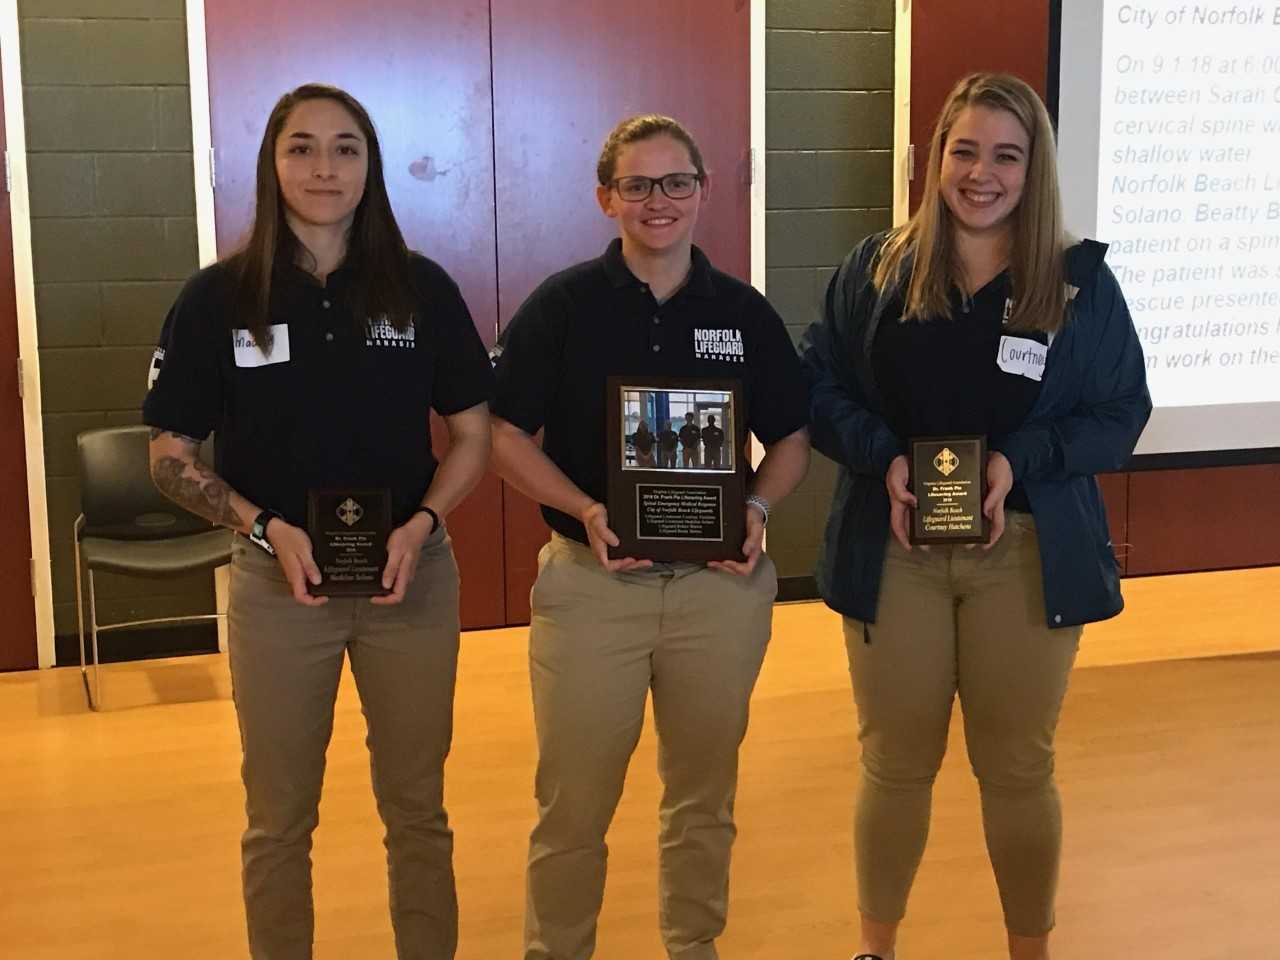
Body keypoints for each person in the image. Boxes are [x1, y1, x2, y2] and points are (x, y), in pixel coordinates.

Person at [800, 73, 1150, 960]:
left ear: (1034, 172)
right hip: (897, 553)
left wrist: (1014, 461)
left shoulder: (1078, 287)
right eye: (965, 151)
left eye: (1006, 155)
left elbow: (1120, 414)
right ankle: (875, 950)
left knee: (1018, 770)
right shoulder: (877, 268)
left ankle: (1028, 950)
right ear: (934, 159)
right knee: (893, 766)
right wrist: (882, 458)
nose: (981, 174)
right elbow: (818, 384)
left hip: (1028, 554)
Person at [142, 83, 493, 960]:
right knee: (278, 819)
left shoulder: (422, 288)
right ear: (271, 163)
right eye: (301, 147)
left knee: (417, 809)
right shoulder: (218, 298)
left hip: (407, 582)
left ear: (371, 167)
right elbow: (168, 454)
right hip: (276, 588)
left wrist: (422, 523)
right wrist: (265, 529)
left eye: (345, 148)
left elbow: (473, 435)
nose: (323, 167)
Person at [489, 114, 811, 960]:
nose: (657, 201)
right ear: (607, 199)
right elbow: (503, 435)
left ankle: (692, 947)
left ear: (704, 192)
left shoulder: (743, 314)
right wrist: (586, 509)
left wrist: (758, 509)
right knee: (573, 806)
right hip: (591, 589)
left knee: (703, 799)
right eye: (637, 185)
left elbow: (791, 438)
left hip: (718, 592)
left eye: (675, 183)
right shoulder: (561, 308)